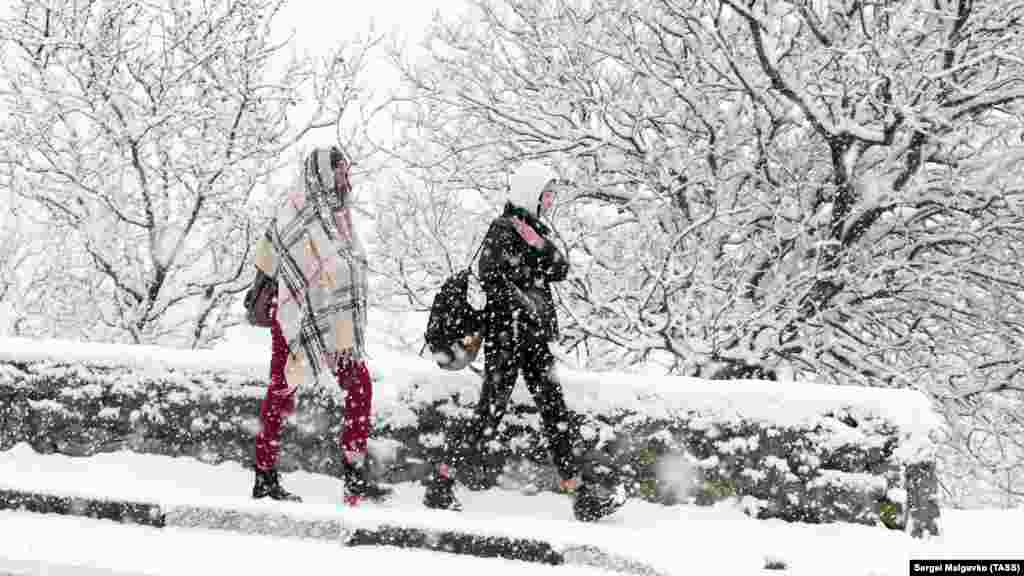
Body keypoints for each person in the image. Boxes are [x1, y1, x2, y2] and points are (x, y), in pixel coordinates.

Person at [423, 161, 620, 520]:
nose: (549, 201)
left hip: (531, 338)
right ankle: (441, 482)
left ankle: (580, 495)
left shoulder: (531, 230)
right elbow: (491, 278)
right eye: (546, 194)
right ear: (530, 193)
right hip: (507, 338)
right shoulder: (501, 229)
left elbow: (560, 268)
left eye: (551, 195)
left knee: (554, 412)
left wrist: (536, 243)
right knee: (490, 415)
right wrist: (524, 302)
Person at [251, 146, 391, 506]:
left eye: (347, 172)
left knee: (359, 386)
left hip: (337, 319)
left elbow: (347, 264)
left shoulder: (340, 216)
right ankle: (264, 477)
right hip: (296, 316)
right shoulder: (294, 212)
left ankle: (354, 479)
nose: (347, 179)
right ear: (324, 175)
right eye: (341, 172)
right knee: (282, 391)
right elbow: (268, 258)